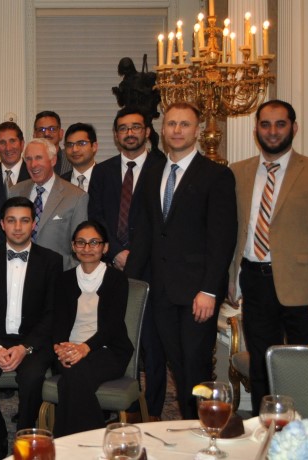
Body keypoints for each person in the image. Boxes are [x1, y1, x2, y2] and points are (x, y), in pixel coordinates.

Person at [228, 99, 308, 415]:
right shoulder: (238, 173)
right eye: (265, 124)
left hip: (305, 288)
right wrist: (232, 278)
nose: (273, 131)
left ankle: (307, 430)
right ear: (256, 130)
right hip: (255, 279)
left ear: (294, 127)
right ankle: (266, 427)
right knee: (262, 363)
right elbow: (235, 230)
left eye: (280, 124)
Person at [125, 102, 237, 420]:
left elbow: (222, 240)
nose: (177, 130)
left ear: (198, 130)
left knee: (195, 367)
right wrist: (128, 284)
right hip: (161, 290)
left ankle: (201, 427)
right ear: (162, 130)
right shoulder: (153, 173)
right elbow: (145, 234)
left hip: (197, 294)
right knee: (175, 362)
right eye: (172, 124)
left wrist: (210, 291)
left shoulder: (216, 176)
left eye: (185, 124)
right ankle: (191, 424)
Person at [86, 107, 166, 421]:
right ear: (116, 134)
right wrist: (116, 251)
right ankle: (115, 405)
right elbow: (96, 217)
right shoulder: (103, 171)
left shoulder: (163, 168)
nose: (129, 133)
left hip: (151, 269)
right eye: (123, 128)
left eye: (135, 127)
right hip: (110, 267)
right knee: (114, 336)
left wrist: (136, 253)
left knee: (152, 344)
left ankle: (153, 411)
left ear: (147, 131)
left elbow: (161, 222)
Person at [0, 197, 60, 459]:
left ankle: (24, 441)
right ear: (1, 224)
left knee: (32, 378)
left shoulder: (51, 261)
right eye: (11, 220)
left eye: (24, 220)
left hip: (32, 342)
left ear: (34, 224)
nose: (17, 227)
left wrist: (24, 347)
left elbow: (51, 314)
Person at [50, 220, 133, 436]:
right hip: (69, 349)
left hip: (107, 351)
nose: (87, 248)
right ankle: (92, 442)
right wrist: (59, 347)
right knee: (73, 376)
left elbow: (113, 326)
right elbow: (57, 321)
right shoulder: (64, 279)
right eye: (81, 243)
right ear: (73, 246)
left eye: (94, 243)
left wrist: (85, 348)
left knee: (72, 378)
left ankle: (66, 445)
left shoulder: (117, 279)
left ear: (105, 247)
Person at [9, 139, 87, 270]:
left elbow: (80, 246)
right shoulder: (15, 192)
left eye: (39, 158)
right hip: (19, 272)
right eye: (28, 159)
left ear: (53, 160)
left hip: (58, 276)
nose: (33, 165)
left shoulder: (77, 197)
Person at [61, 123, 98, 192]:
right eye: (70, 144)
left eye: (81, 143)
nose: (74, 149)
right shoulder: (60, 183)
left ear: (94, 146)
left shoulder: (109, 178)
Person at [32, 111, 71, 177]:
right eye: (41, 130)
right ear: (34, 135)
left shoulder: (71, 159)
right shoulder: (28, 162)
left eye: (52, 129)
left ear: (61, 133)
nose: (46, 133)